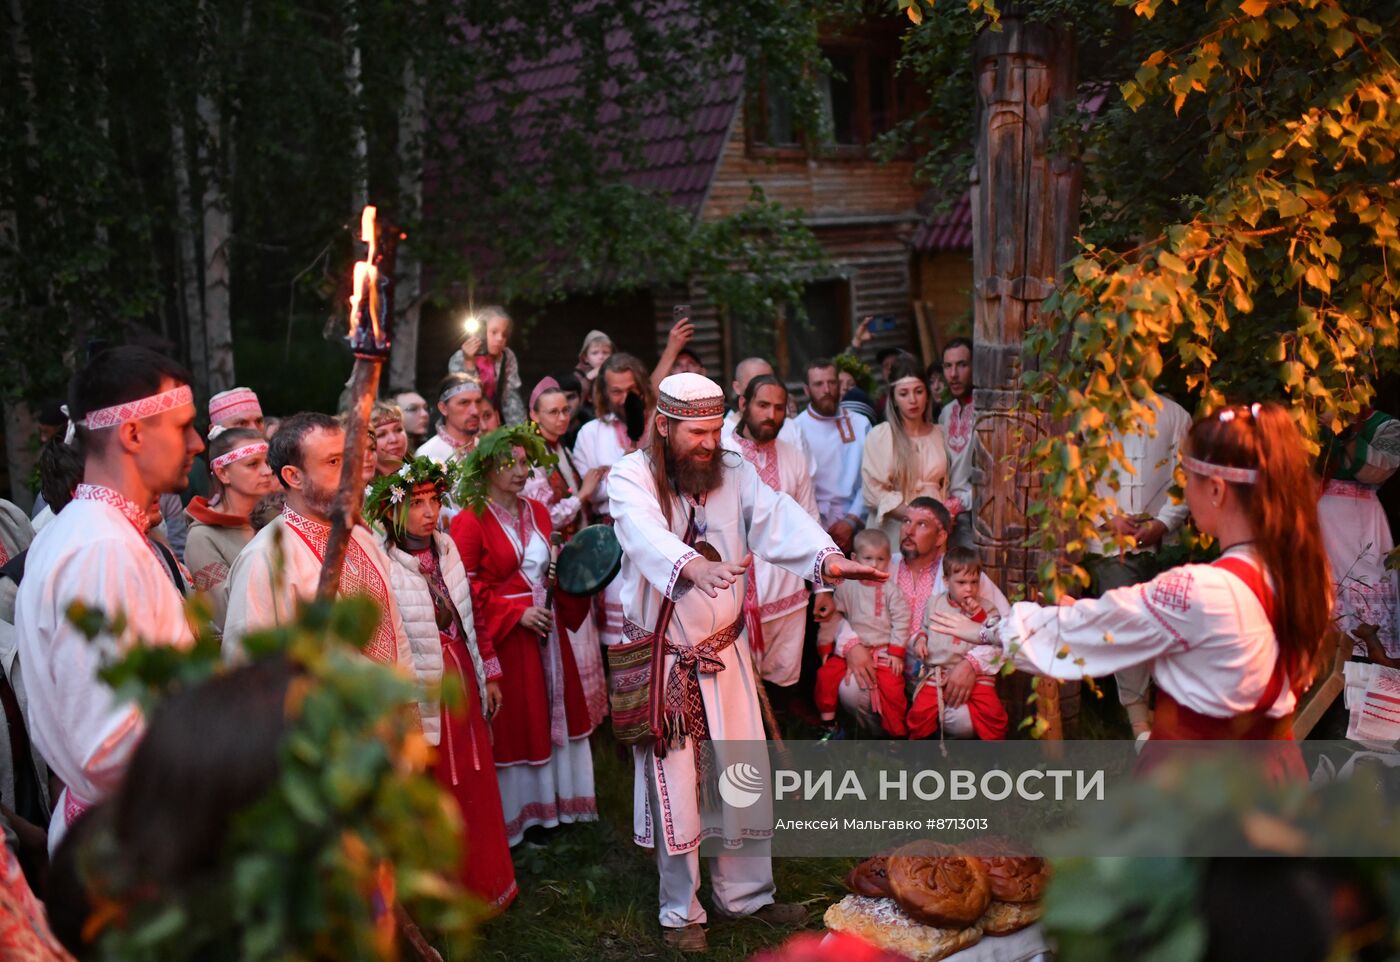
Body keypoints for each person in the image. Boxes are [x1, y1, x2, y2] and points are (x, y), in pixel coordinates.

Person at [608, 372, 886, 952]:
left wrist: (827, 562)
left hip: (727, 653)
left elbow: (777, 514)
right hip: (670, 661)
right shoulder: (630, 476)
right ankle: (681, 914)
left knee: (739, 775)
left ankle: (745, 897)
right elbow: (640, 532)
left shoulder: (731, 467)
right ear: (663, 427)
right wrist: (693, 567)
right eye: (697, 434)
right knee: (678, 787)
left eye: (716, 431)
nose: (710, 445)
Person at [930, 403, 1333, 775]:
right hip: (1275, 776)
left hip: (1208, 793)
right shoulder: (1299, 575)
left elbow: (1083, 634)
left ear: (1217, 490)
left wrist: (987, 631)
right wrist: (1089, 617)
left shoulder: (1204, 591)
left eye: (1186, 479)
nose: (1183, 493)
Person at [16, 346, 202, 851]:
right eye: (184, 427)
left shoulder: (95, 531)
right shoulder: (100, 549)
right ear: (133, 433)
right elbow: (107, 750)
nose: (199, 444)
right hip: (128, 846)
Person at [369, 456, 517, 911]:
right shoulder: (384, 562)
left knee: (475, 778)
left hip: (461, 680)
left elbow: (471, 616)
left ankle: (487, 883)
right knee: (437, 785)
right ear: (394, 511)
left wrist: (487, 670)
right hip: (424, 688)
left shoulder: (448, 548)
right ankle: (442, 896)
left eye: (434, 500)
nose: (429, 511)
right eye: (417, 503)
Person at [450, 425, 598, 847]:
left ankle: (560, 805)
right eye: (508, 464)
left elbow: (552, 565)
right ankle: (523, 817)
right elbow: (463, 585)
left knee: (556, 709)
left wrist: (574, 574)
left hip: (546, 627)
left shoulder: (539, 510)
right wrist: (515, 612)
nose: (519, 471)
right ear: (485, 469)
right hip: (509, 638)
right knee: (520, 720)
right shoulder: (469, 521)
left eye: (523, 463)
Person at [221, 412, 412, 668]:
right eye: (333, 462)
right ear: (294, 477)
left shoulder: (362, 536)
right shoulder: (263, 558)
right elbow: (245, 666)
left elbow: (396, 630)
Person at [1089, 393, 1193, 736]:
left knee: (1167, 626)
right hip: (1109, 546)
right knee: (1125, 623)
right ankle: (1139, 725)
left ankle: (1171, 716)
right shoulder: (1093, 413)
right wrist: (1108, 519)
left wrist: (1163, 524)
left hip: (1163, 546)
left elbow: (1185, 478)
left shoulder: (1175, 415)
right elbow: (1079, 479)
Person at [725, 375, 822, 689]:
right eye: (763, 404)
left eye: (779, 408)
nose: (771, 414)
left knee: (781, 683)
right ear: (743, 404)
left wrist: (822, 589)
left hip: (787, 591)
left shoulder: (793, 455)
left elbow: (810, 519)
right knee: (736, 688)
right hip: (733, 594)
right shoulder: (720, 451)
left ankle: (779, 732)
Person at [524, 378, 609, 728]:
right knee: (568, 643)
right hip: (553, 566)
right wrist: (583, 496)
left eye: (564, 410)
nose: (562, 418)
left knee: (584, 639)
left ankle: (588, 720)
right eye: (553, 412)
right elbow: (540, 514)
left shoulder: (562, 448)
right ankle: (572, 720)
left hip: (575, 561)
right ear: (534, 415)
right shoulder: (531, 456)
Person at [887, 498, 1007, 699]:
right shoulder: (884, 564)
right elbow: (848, 613)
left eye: (921, 524)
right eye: (906, 521)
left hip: (943, 676)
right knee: (854, 690)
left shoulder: (961, 574)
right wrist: (854, 646)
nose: (909, 531)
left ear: (941, 536)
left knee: (961, 722)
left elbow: (1007, 628)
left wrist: (971, 664)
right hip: (889, 669)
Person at [573, 353, 654, 646]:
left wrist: (616, 474)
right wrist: (630, 472)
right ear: (604, 394)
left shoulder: (657, 426)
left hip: (656, 535)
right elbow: (592, 491)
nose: (623, 399)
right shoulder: (589, 434)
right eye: (616, 392)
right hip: (611, 542)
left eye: (630, 391)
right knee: (618, 640)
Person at [1318, 406, 1400, 661]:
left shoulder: (1385, 425)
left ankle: (1372, 659)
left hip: (1360, 521)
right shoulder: (1306, 416)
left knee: (1366, 584)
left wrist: (1345, 432)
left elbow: (1378, 469)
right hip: (1314, 514)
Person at [814, 529, 910, 737]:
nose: (874, 565)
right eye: (868, 558)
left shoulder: (890, 591)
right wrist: (826, 646)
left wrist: (896, 652)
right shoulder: (846, 587)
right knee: (825, 675)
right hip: (851, 650)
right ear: (855, 558)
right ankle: (829, 724)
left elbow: (902, 621)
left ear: (889, 560)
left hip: (883, 651)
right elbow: (833, 617)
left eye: (881, 559)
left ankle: (896, 734)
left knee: (893, 690)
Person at [907, 546, 1008, 741]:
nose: (969, 588)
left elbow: (994, 634)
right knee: (919, 713)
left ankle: (998, 755)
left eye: (974, 582)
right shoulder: (934, 603)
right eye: (961, 582)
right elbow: (924, 627)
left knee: (993, 714)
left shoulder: (988, 608)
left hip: (975, 676)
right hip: (937, 671)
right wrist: (921, 640)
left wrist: (978, 614)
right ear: (946, 581)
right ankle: (920, 755)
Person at [184, 427, 276, 633]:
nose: (267, 471)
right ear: (223, 473)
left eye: (268, 462)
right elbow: (227, 613)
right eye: (253, 464)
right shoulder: (202, 537)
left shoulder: (276, 519)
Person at [861, 356, 950, 546]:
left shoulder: (940, 434)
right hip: (894, 530)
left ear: (927, 394)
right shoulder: (881, 436)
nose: (913, 400)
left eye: (918, 391)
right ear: (893, 398)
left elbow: (947, 485)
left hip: (934, 530)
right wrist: (915, 518)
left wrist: (938, 519)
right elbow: (873, 490)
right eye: (904, 393)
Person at [795, 358, 870, 555]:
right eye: (819, 384)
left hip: (858, 523)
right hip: (814, 528)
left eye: (832, 382)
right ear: (806, 390)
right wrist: (819, 528)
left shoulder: (860, 424)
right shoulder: (796, 429)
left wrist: (851, 520)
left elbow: (871, 478)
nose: (827, 390)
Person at [721, 358, 811, 468]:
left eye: (770, 380)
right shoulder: (722, 434)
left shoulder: (791, 428)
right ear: (737, 388)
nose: (766, 387)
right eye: (757, 382)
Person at [449, 305, 526, 426]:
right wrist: (469, 363)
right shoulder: (460, 357)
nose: (500, 338)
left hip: (493, 422)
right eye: (494, 332)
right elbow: (464, 398)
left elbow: (510, 397)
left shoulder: (506, 356)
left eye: (504, 334)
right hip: (465, 423)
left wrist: (519, 432)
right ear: (481, 331)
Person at [938, 338, 975, 548]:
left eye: (962, 365)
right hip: (946, 515)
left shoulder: (988, 412)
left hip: (977, 514)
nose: (953, 374)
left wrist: (962, 502)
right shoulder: (946, 412)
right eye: (948, 366)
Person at [416, 373, 485, 466]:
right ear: (443, 408)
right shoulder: (426, 455)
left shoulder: (487, 449)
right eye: (464, 403)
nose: (475, 411)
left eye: (478, 402)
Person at [371, 401, 410, 477]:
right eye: (381, 435)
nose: (394, 439)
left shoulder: (427, 473)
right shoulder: (360, 487)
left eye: (398, 430)